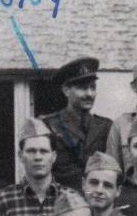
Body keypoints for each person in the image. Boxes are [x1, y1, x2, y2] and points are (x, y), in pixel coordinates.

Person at [41, 57, 113, 189]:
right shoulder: (48, 125)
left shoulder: (106, 126)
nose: (89, 94)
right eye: (82, 88)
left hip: (96, 197)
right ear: (66, 90)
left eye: (93, 87)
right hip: (61, 198)